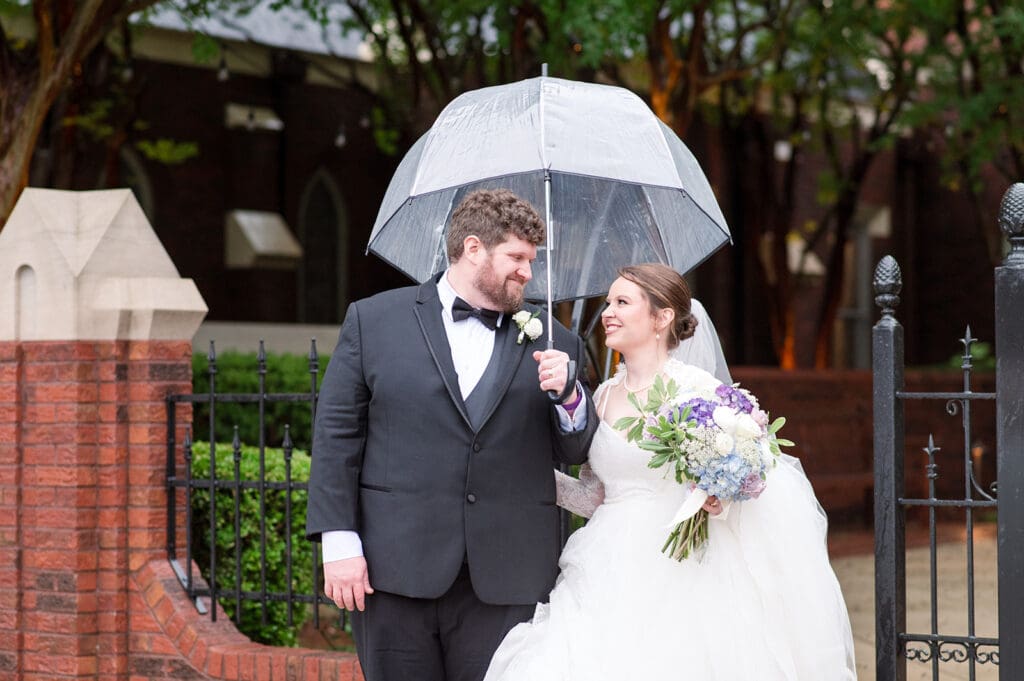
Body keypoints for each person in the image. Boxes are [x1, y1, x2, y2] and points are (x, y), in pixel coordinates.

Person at [488, 263, 857, 681]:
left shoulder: (698, 391)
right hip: (605, 565)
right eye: (608, 301)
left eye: (622, 302)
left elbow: (753, 481)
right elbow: (595, 496)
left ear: (661, 318)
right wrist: (532, 476)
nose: (608, 311)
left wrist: (718, 498)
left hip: (680, 567)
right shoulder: (605, 394)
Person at [306, 188, 600, 681]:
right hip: (393, 570)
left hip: (509, 576)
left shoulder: (557, 343)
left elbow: (574, 449)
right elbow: (337, 438)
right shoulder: (373, 321)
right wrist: (339, 544)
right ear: (472, 248)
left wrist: (568, 395)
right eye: (517, 258)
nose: (528, 272)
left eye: (531, 259)